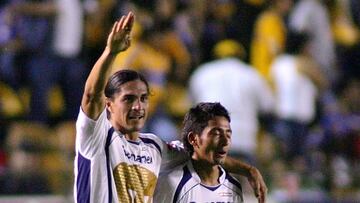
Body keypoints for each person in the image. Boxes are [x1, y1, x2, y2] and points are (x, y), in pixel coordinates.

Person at [74, 12, 267, 203]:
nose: (137, 106)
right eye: (128, 99)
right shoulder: (98, 136)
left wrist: (248, 170)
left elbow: (202, 152)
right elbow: (91, 96)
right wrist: (111, 52)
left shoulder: (155, 148)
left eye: (143, 98)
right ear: (109, 104)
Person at [189, 39, 274, 164]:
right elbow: (268, 107)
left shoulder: (202, 73)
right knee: (242, 180)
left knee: (209, 181)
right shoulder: (252, 74)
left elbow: (192, 106)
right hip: (244, 139)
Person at [154, 102, 244, 203]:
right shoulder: (172, 183)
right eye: (216, 134)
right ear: (193, 139)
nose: (225, 142)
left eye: (228, 134)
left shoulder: (233, 187)